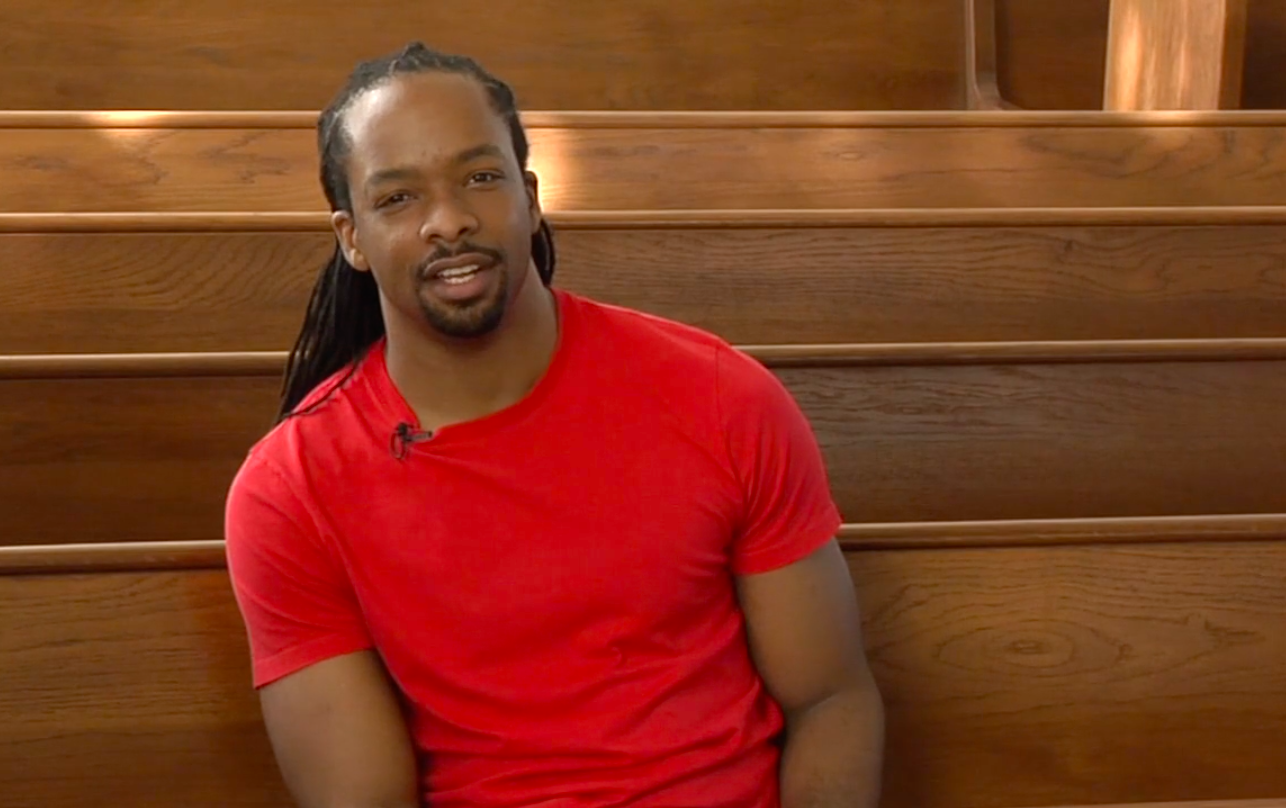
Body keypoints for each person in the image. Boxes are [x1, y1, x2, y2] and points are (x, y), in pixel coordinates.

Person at [223, 41, 884, 808]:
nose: (450, 221)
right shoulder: (289, 490)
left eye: (480, 177)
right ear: (351, 239)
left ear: (529, 197)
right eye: (398, 198)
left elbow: (831, 700)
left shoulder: (717, 394)